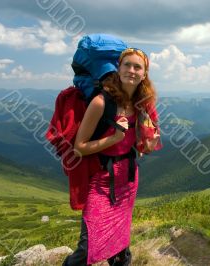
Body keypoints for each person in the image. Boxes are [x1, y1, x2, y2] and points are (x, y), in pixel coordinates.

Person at [63, 48, 161, 265]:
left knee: (121, 241)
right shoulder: (101, 102)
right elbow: (79, 148)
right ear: (118, 68)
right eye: (127, 65)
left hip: (128, 177)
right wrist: (114, 138)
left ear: (144, 74)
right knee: (87, 246)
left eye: (138, 67)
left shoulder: (142, 104)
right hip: (101, 179)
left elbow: (141, 147)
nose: (132, 70)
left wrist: (148, 145)